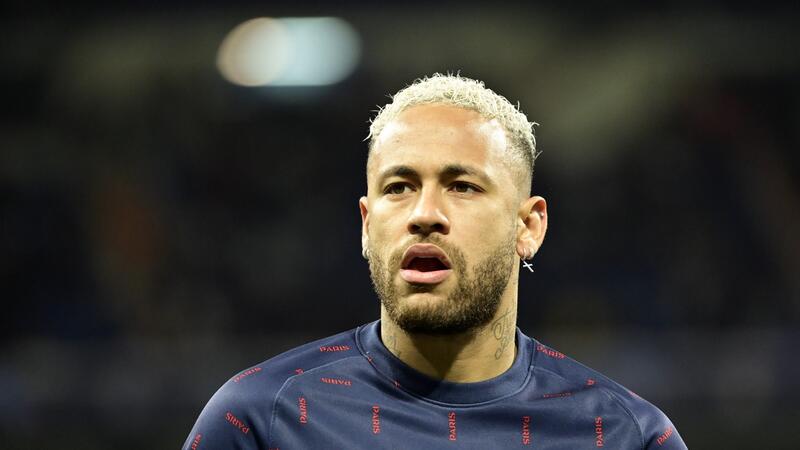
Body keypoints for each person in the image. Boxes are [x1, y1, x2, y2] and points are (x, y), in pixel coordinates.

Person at [182, 73, 687, 449]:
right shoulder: (261, 420)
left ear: (529, 226)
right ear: (366, 224)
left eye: (462, 186)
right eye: (398, 187)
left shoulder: (625, 435)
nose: (425, 214)